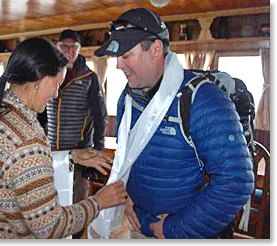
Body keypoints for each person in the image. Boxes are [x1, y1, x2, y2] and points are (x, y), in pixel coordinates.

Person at [89, 8, 254, 239]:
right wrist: (126, 199)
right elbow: (128, 160)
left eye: (125, 56)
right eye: (116, 57)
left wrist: (172, 228)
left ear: (155, 49)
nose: (118, 65)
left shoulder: (203, 99)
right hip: (138, 224)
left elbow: (236, 182)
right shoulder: (127, 99)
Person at [0, 37, 126, 239]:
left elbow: (14, 165)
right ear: (38, 80)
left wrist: (68, 156)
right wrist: (99, 201)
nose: (56, 94)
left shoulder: (2, 113)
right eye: (57, 84)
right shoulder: (28, 139)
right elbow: (49, 227)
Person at [46, 29, 108, 237]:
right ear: (57, 47)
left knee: (77, 206)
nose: (69, 51)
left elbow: (101, 118)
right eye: (65, 46)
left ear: (79, 50)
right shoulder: (47, 74)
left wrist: (97, 152)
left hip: (79, 158)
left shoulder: (89, 78)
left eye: (74, 47)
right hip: (49, 154)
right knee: (49, 206)